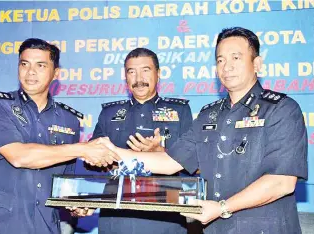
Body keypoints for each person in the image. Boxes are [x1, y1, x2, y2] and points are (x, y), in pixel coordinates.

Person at [96, 27, 308, 234]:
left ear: (257, 64)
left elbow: (282, 182)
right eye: (220, 60)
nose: (227, 67)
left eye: (236, 58)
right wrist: (108, 150)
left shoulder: (282, 109)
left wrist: (222, 207)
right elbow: (170, 162)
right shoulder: (209, 115)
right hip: (216, 227)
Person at [0, 38, 118, 234]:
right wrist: (84, 148)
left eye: (40, 65)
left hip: (45, 226)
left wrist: (77, 204)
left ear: (55, 73)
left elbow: (65, 182)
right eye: (24, 64)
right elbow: (20, 157)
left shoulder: (69, 120)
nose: (30, 72)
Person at [90, 48, 193, 234]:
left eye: (145, 70)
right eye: (131, 72)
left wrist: (162, 153)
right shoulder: (109, 114)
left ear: (158, 74)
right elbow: (93, 161)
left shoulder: (180, 111)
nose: (139, 78)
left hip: (165, 216)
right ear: (125, 77)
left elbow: (194, 163)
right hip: (117, 216)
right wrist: (109, 160)